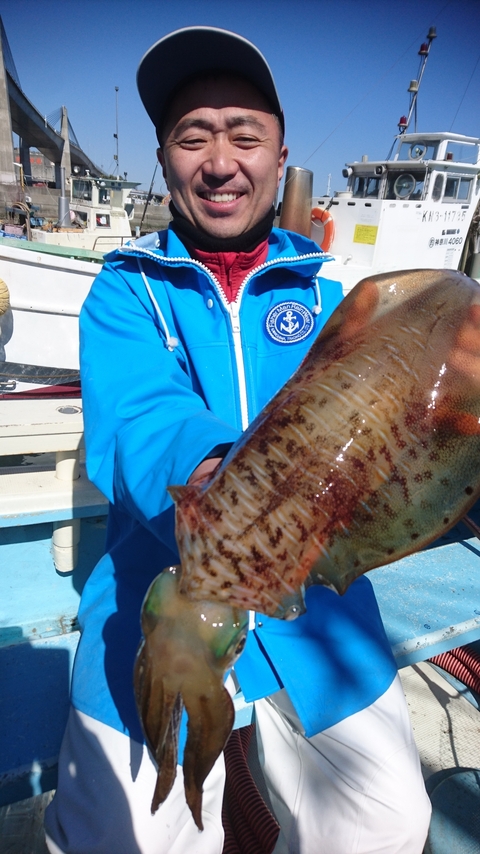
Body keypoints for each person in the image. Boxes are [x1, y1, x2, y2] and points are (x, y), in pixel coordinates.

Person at [45, 26, 431, 854]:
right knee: (125, 832)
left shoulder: (336, 294)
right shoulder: (126, 292)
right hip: (164, 592)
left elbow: (394, 436)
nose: (220, 160)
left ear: (280, 151)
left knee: (392, 815)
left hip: (318, 609)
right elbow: (141, 420)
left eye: (243, 135)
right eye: (194, 136)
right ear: (166, 157)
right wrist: (226, 478)